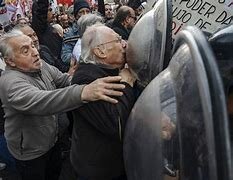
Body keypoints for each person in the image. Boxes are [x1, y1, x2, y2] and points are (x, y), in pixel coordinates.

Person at [0, 30, 126, 180]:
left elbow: (64, 80)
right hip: (30, 153)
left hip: (53, 141)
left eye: (33, 45)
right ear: (10, 61)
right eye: (25, 50)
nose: (35, 52)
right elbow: (44, 101)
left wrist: (88, 77)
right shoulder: (10, 83)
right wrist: (83, 91)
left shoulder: (40, 65)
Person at [71, 24, 136, 179]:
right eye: (118, 40)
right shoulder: (86, 79)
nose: (124, 44)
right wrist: (126, 84)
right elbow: (116, 124)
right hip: (99, 170)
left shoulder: (106, 70)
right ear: (100, 51)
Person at [61, 0, 91, 67]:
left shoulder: (96, 29)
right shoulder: (69, 34)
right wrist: (82, 57)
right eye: (81, 12)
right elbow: (65, 56)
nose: (85, 14)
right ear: (76, 16)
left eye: (87, 11)